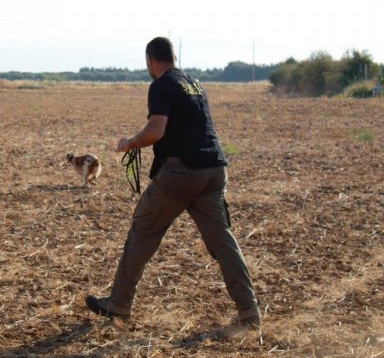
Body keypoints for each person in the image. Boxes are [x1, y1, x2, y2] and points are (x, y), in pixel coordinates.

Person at [85, 37, 260, 329]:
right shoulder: (193, 82)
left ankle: (119, 303)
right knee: (224, 243)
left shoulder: (161, 85)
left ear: (150, 60)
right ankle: (249, 312)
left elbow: (156, 130)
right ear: (173, 56)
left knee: (143, 230)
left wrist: (130, 142)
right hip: (214, 171)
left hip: (181, 174)